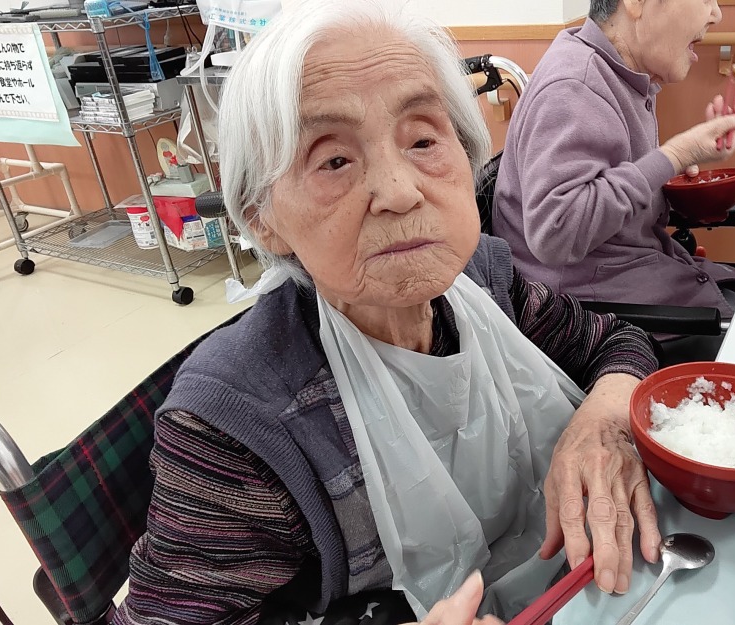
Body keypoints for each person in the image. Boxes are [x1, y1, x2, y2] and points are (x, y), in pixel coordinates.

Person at [113, 2, 662, 624]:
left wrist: (602, 425)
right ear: (262, 217)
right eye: (334, 160)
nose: (401, 193)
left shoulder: (484, 279)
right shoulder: (238, 427)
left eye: (423, 140)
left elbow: (617, 345)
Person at [493, 0, 735, 336]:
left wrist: (679, 186)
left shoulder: (623, 75)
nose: (716, 14)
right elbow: (555, 233)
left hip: (646, 277)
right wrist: (675, 154)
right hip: (595, 321)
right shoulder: (575, 86)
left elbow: (610, 188)